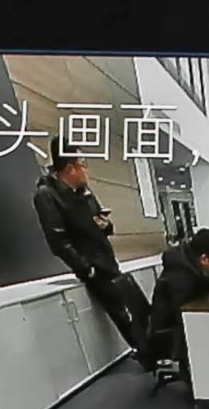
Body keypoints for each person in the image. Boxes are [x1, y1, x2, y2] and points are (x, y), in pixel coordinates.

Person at [33, 147, 148, 349]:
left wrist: (106, 225)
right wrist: (87, 270)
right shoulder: (47, 196)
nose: (86, 170)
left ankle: (152, 351)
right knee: (126, 318)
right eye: (83, 164)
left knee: (137, 312)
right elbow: (58, 242)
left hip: (108, 262)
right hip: (94, 270)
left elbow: (100, 222)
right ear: (70, 168)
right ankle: (149, 355)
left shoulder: (84, 191)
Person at [143, 227, 209, 379]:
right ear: (204, 259)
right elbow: (183, 315)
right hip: (168, 334)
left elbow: (197, 283)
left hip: (169, 327)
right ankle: (201, 378)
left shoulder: (184, 265)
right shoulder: (180, 276)